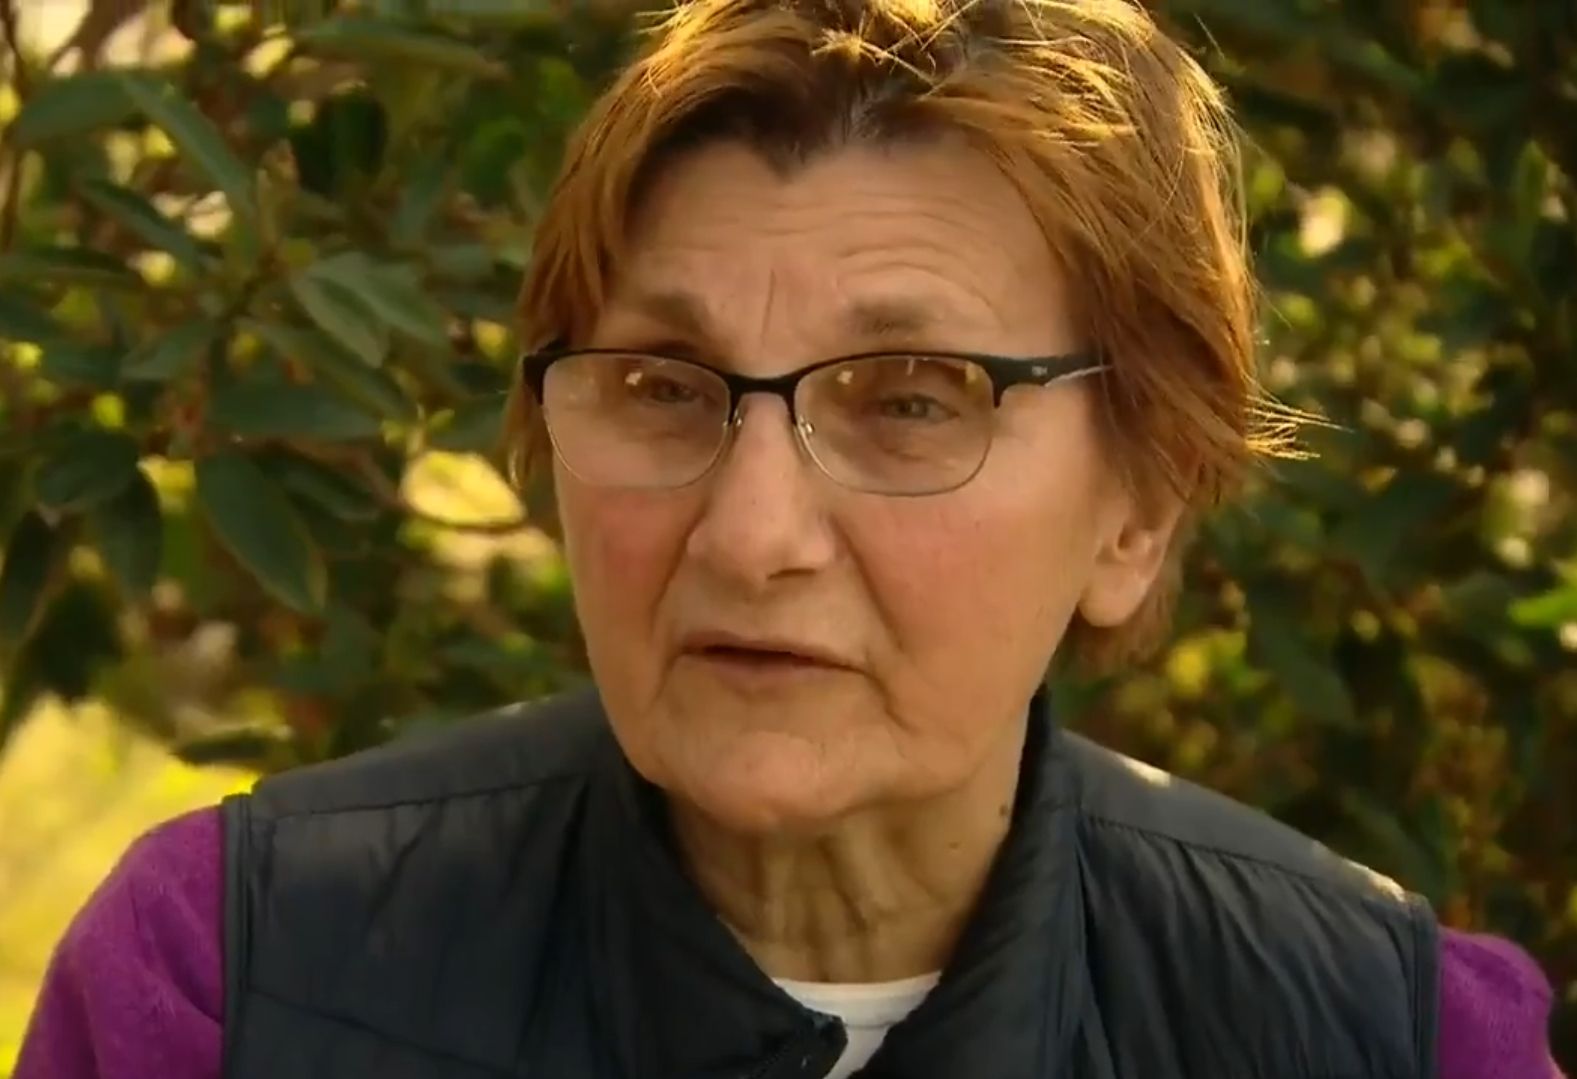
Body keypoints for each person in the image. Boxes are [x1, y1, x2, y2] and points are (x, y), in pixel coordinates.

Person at [16, 0, 1565, 1076]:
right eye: (661, 387)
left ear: (1138, 506)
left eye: (912, 402)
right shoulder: (229, 983)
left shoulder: (1386, 1036)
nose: (751, 534)